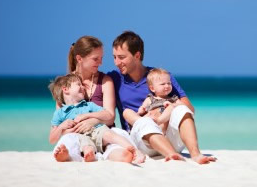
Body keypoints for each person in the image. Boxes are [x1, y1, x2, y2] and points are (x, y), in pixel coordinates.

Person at [108, 30, 216, 164]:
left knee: (182, 109)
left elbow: (190, 109)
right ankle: (172, 155)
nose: (117, 62)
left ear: (137, 55)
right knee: (142, 120)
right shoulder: (114, 78)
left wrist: (168, 109)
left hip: (166, 133)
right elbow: (85, 77)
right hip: (142, 142)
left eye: (121, 57)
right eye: (114, 57)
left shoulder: (161, 77)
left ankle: (195, 154)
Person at [53, 35, 145, 163]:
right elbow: (60, 121)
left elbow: (110, 116)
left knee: (120, 150)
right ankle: (71, 155)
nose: (100, 63)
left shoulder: (105, 81)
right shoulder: (66, 85)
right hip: (78, 136)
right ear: (79, 58)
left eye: (101, 58)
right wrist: (69, 129)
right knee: (69, 141)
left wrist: (92, 120)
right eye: (95, 59)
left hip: (103, 131)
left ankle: (120, 154)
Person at [48, 73, 137, 162]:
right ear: (65, 89)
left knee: (109, 134)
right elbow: (52, 139)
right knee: (82, 144)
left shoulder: (89, 105)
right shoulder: (60, 113)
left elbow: (108, 114)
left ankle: (132, 149)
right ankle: (81, 155)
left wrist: (87, 115)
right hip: (81, 137)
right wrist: (61, 126)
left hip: (97, 132)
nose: (83, 87)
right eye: (78, 84)